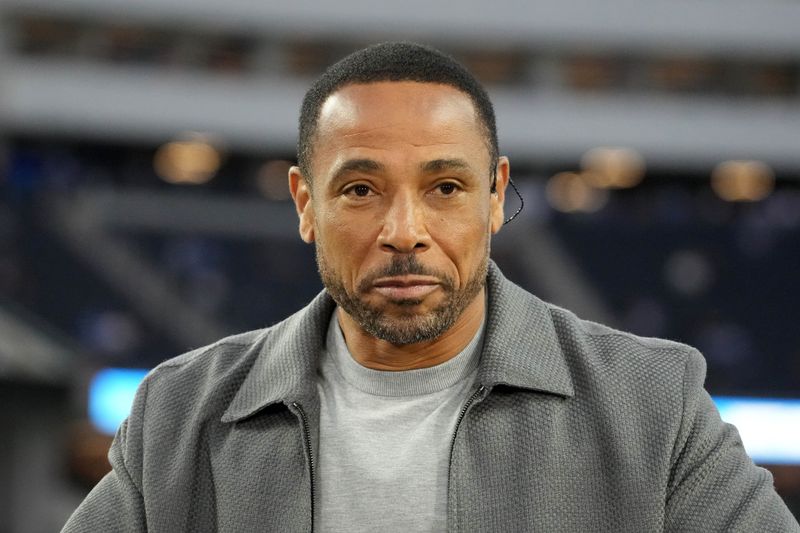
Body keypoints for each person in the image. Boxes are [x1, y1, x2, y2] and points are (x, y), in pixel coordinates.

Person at [63, 42, 798, 532]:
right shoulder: (179, 413)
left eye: (445, 186)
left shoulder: (654, 404)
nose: (405, 231)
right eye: (360, 189)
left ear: (494, 195)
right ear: (305, 204)